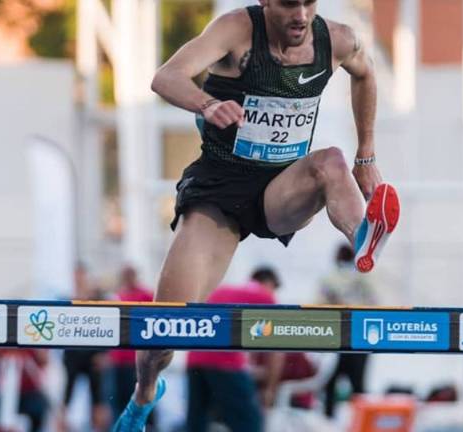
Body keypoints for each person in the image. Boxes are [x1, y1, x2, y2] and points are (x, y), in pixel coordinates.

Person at [114, 1, 401, 430]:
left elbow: (366, 72)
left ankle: (362, 238)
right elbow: (165, 77)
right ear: (266, 3)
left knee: (332, 163)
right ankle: (144, 394)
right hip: (220, 193)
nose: (300, 16)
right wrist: (207, 103)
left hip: (281, 188)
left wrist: (367, 154)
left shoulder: (336, 38)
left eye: (309, 3)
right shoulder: (235, 30)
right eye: (288, 5)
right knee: (164, 327)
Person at [186, 267, 284, 432]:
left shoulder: (225, 290)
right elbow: (276, 351)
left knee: (197, 421)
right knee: (249, 422)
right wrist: (270, 390)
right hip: (224, 362)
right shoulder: (265, 296)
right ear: (269, 283)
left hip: (195, 359)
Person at [319, 243, 376, 418]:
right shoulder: (362, 277)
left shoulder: (335, 278)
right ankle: (357, 421)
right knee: (354, 384)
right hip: (354, 335)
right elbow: (374, 303)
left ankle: (361, 422)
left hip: (351, 335)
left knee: (354, 384)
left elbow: (321, 304)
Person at [58, 262, 111, 432]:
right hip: (73, 354)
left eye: (81, 275)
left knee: (97, 396)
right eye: (76, 275)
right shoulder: (67, 298)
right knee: (67, 395)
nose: (78, 278)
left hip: (92, 354)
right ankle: (61, 426)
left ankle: (99, 427)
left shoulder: (97, 297)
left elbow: (108, 325)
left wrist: (104, 353)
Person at [108, 266, 156, 423]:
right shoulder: (118, 296)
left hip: (138, 360)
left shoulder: (146, 294)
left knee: (142, 398)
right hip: (118, 360)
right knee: (119, 401)